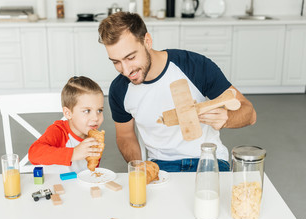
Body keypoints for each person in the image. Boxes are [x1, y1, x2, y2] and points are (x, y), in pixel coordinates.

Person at [98, 12, 256, 172]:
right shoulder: (120, 89)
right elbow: (125, 136)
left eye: (131, 57)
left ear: (147, 41)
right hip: (161, 164)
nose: (125, 70)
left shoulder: (194, 66)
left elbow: (249, 113)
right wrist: (138, 166)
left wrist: (227, 119)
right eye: (116, 62)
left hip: (208, 157)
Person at [28, 76, 104, 173]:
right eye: (87, 111)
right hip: (55, 185)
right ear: (68, 113)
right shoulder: (59, 131)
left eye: (99, 110)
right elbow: (33, 154)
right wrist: (74, 153)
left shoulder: (94, 138)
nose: (96, 117)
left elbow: (91, 170)